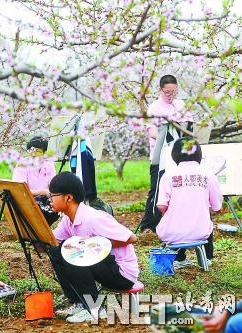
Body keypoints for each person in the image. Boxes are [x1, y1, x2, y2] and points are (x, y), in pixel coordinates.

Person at [47, 172, 139, 323]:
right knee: (57, 251)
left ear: (68, 197)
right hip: (104, 267)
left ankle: (93, 308)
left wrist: (94, 243)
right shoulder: (67, 219)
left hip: (122, 273)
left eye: (52, 195)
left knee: (72, 249)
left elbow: (131, 238)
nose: (49, 200)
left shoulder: (93, 218)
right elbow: (52, 241)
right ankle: (79, 302)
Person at [156, 137, 222, 269]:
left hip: (172, 233)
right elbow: (217, 206)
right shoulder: (208, 174)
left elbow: (162, 205)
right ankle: (207, 258)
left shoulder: (168, 175)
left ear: (174, 155)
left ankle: (179, 259)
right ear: (199, 154)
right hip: (201, 232)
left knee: (173, 219)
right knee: (206, 219)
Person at [140, 74, 193, 234]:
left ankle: (175, 223)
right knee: (156, 189)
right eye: (167, 93)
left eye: (174, 92)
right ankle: (149, 225)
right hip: (160, 157)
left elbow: (188, 127)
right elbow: (152, 131)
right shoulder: (155, 108)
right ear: (161, 90)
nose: (170, 96)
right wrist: (169, 136)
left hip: (179, 158)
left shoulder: (181, 105)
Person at [12, 136, 59, 225]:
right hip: (26, 199)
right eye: (31, 151)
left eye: (38, 151)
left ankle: (43, 230)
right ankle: (37, 230)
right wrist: (44, 192)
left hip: (44, 199)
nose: (34, 154)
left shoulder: (48, 164)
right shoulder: (22, 165)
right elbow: (21, 190)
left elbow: (53, 186)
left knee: (57, 206)